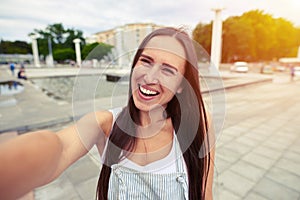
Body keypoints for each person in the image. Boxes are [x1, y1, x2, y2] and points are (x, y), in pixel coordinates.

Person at [0, 27, 215, 200]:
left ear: (181, 85)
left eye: (168, 70)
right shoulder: (105, 124)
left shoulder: (198, 126)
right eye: (146, 61)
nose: (150, 77)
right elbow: (60, 149)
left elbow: (204, 194)